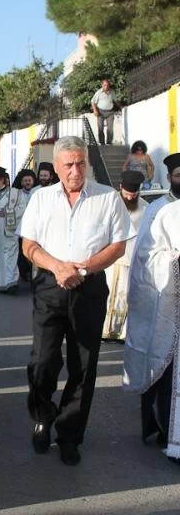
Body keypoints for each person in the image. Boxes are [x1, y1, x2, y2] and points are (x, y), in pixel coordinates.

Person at [20, 136, 133, 466]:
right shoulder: (41, 199)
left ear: (88, 163)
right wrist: (58, 267)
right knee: (42, 361)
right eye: (68, 164)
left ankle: (70, 434)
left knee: (83, 366)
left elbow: (118, 245)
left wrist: (81, 269)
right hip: (49, 288)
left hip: (89, 288)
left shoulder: (108, 198)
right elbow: (29, 245)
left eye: (80, 163)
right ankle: (43, 416)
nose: (75, 171)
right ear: (56, 167)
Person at [123, 152, 180, 450]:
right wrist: (173, 260)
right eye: (179, 175)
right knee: (163, 368)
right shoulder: (157, 209)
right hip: (164, 303)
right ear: (170, 177)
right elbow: (144, 257)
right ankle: (159, 427)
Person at [102, 170, 147, 341]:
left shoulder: (145, 208)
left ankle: (123, 332)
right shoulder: (109, 203)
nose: (129, 198)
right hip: (110, 258)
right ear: (120, 187)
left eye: (133, 194)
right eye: (127, 194)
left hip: (131, 258)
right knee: (108, 293)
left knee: (126, 296)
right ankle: (105, 330)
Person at [13, 169, 38, 282]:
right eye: (25, 181)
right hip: (20, 228)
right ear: (21, 182)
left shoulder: (37, 192)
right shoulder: (17, 194)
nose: (27, 183)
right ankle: (24, 273)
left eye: (29, 180)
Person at [91, 79, 119, 145]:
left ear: (109, 85)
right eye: (105, 85)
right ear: (102, 85)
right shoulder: (98, 92)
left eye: (107, 85)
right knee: (100, 127)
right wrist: (95, 110)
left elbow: (116, 100)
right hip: (100, 112)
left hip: (110, 112)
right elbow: (93, 101)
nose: (106, 86)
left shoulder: (112, 92)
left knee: (110, 128)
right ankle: (102, 142)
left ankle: (109, 142)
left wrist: (121, 107)